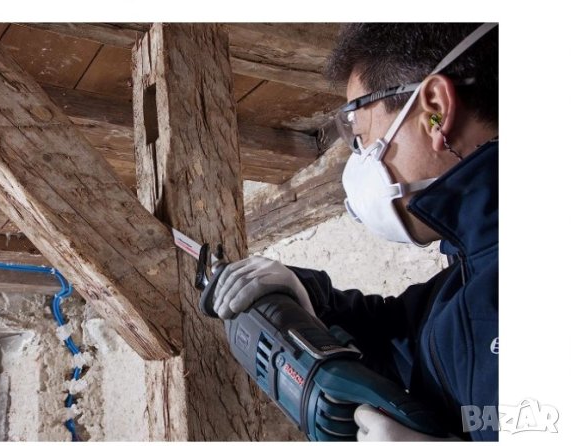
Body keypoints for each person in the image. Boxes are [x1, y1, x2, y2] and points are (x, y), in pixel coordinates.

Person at [213, 23, 498, 441]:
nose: (361, 161)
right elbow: (397, 334)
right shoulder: (467, 274)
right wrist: (307, 293)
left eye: (362, 138)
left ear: (436, 111)